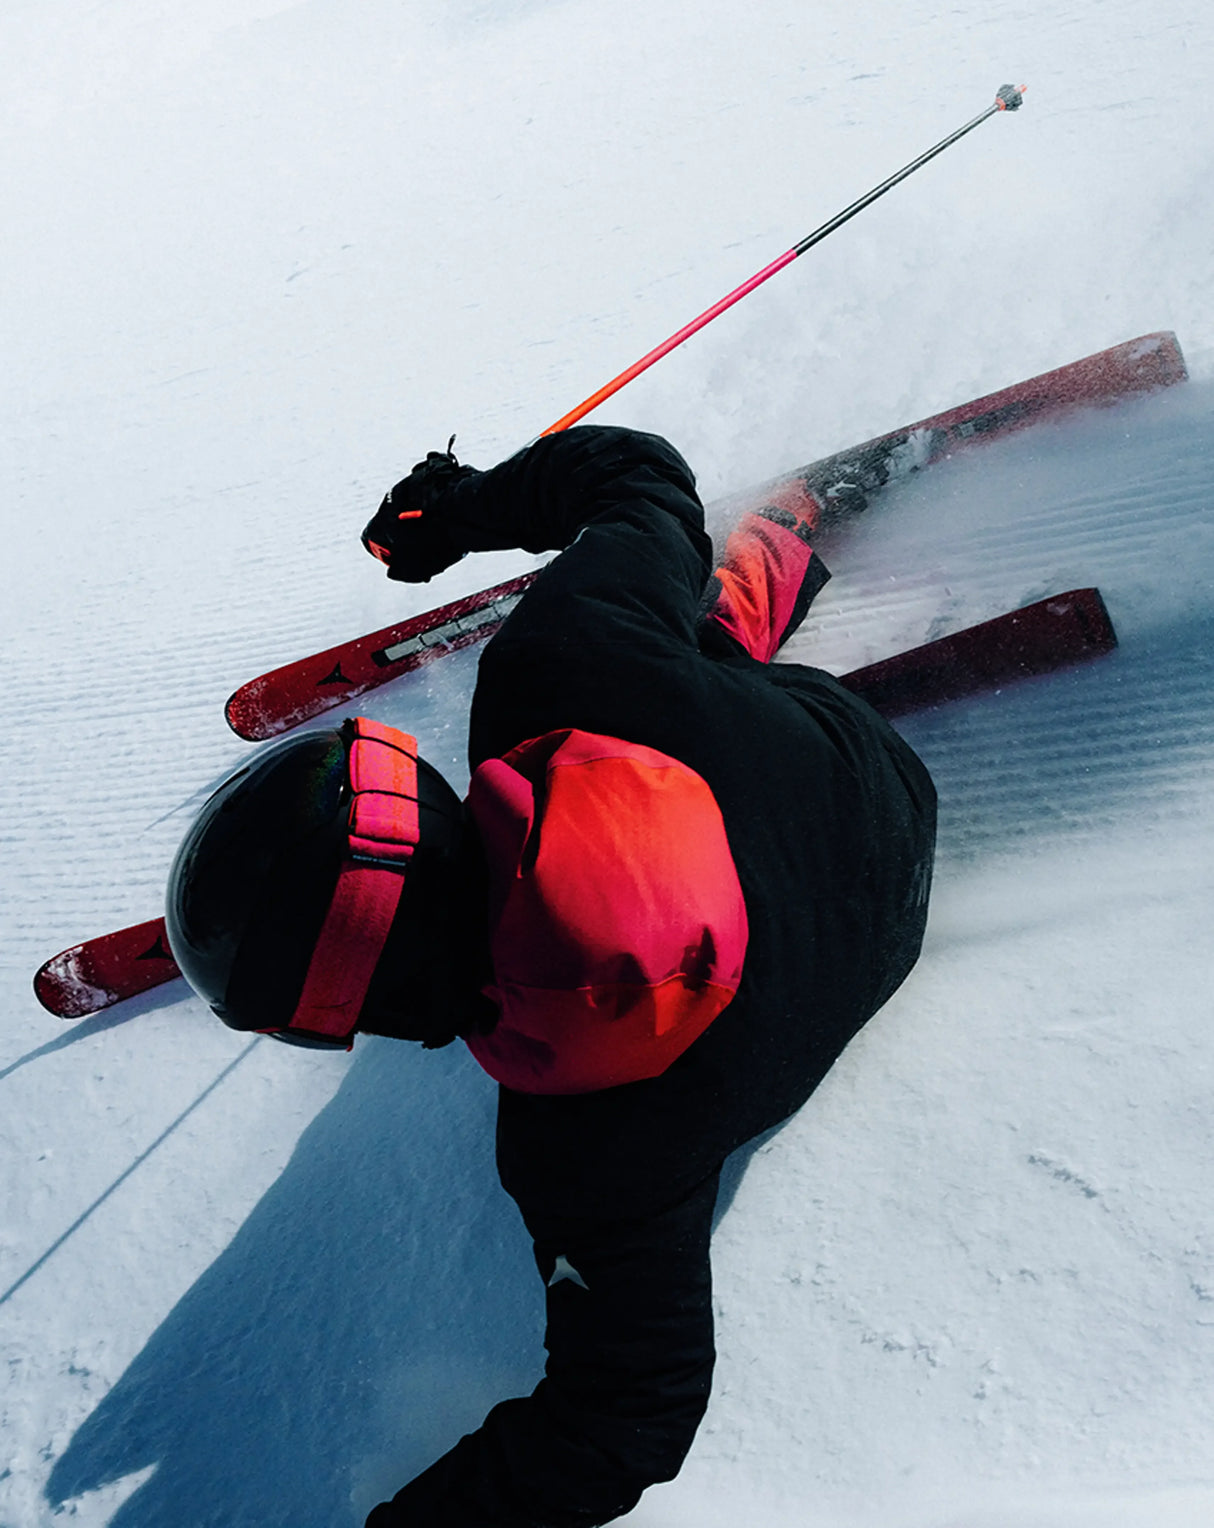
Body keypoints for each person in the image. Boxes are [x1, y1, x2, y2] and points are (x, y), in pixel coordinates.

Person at [165, 425, 936, 1527]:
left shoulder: (577, 1152)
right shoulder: (561, 668)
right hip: (859, 770)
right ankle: (779, 537)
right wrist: (464, 509)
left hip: (882, 942)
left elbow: (628, 1413)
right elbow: (641, 482)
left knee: (671, 654)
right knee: (683, 628)